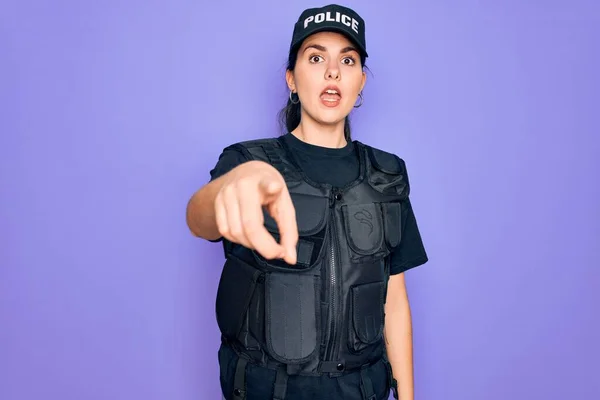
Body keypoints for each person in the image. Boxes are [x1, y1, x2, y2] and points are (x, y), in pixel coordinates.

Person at [186, 4, 428, 399]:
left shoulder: (387, 175)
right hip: (269, 389)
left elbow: (395, 300)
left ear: (360, 81)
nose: (332, 71)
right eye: (316, 57)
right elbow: (201, 218)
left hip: (359, 389)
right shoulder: (247, 162)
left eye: (347, 60)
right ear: (291, 79)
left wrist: (408, 396)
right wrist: (234, 185)